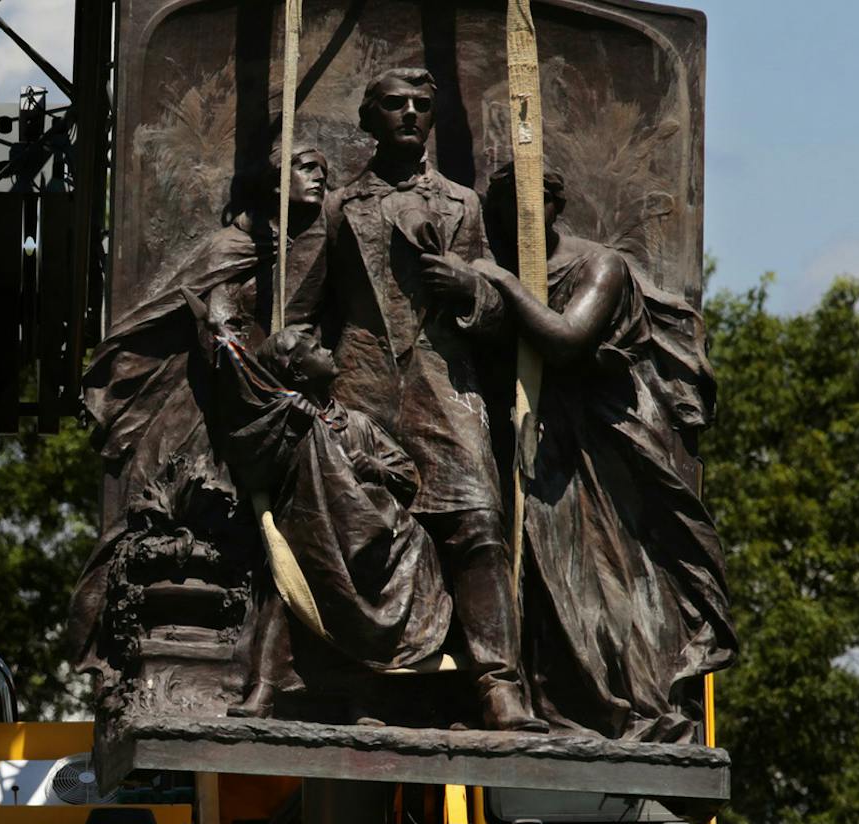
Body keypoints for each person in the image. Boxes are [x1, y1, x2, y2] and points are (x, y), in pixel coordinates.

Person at [471, 164, 735, 742]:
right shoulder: (506, 268)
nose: (522, 219)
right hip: (532, 439)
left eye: (533, 205)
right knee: (538, 583)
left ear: (555, 207)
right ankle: (557, 705)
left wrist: (504, 285)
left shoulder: (599, 265)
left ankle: (626, 706)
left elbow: (567, 340)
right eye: (511, 207)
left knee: (599, 583)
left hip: (598, 447)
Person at [325, 68, 542, 732]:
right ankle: (377, 689)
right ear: (370, 118)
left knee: (477, 521)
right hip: (362, 388)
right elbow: (308, 304)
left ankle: (498, 685)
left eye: (423, 104)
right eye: (395, 104)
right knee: (370, 538)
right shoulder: (339, 207)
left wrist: (469, 292)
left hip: (445, 387)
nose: (411, 113)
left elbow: (500, 315)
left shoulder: (463, 206)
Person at [71, 139, 335, 674]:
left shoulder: (313, 244)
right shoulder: (231, 247)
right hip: (212, 401)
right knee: (178, 513)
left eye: (324, 171)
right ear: (277, 182)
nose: (320, 179)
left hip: (270, 405)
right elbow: (202, 316)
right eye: (307, 168)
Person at [188, 291, 451, 714]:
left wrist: (373, 469)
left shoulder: (358, 425)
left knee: (414, 546)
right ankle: (264, 690)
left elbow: (406, 475)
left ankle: (374, 695)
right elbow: (244, 394)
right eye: (316, 349)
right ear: (297, 370)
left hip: (373, 534)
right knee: (286, 586)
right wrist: (220, 336)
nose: (328, 351)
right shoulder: (286, 418)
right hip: (312, 533)